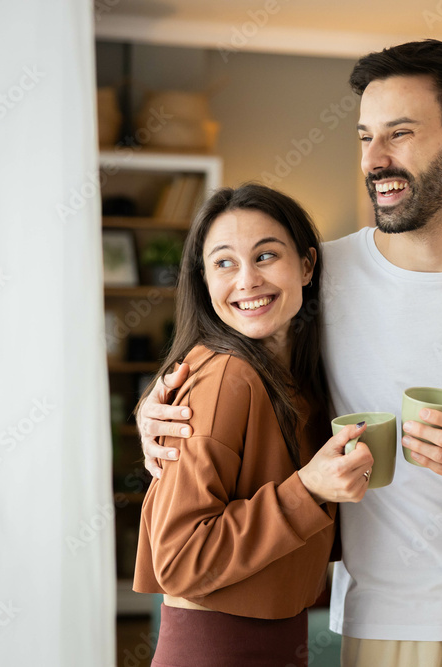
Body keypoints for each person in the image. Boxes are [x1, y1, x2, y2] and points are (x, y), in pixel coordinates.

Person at [139, 40, 442, 666]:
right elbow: (225, 348)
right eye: (365, 137)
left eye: (400, 133)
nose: (375, 159)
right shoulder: (315, 276)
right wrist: (152, 412)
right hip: (386, 625)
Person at [132, 183, 375, 667]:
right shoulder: (228, 377)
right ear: (204, 281)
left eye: (265, 256)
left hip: (275, 643)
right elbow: (181, 559)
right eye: (224, 263)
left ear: (306, 266)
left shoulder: (298, 378)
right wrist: (307, 489)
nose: (246, 280)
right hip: (217, 650)